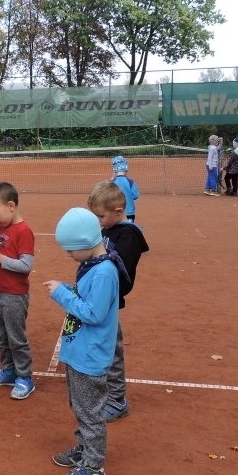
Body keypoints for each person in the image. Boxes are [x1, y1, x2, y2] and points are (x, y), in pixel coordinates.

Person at [44, 208, 128, 475]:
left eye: (70, 251)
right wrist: (70, 289)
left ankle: (94, 466)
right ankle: (84, 449)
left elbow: (93, 313)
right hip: (80, 352)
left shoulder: (103, 272)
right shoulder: (96, 265)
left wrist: (62, 294)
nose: (69, 256)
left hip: (89, 356)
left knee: (90, 412)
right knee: (80, 406)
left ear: (82, 243)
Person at [87, 181, 149, 422]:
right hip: (99, 299)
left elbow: (117, 267)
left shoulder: (129, 234)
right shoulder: (108, 228)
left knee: (112, 352)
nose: (98, 220)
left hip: (110, 303)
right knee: (101, 349)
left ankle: (117, 400)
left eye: (100, 216)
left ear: (119, 210)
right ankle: (106, 393)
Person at [0, 182, 36, 399]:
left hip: (14, 295)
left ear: (11, 205)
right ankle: (9, 370)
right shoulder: (2, 226)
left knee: (16, 338)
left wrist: (0, 258)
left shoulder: (24, 231)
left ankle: (25, 377)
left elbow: (26, 266)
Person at [110, 156, 140, 222]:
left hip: (116, 212)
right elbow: (136, 196)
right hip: (129, 212)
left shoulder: (112, 183)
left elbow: (107, 195)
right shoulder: (131, 182)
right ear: (126, 168)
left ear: (115, 169)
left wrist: (112, 177)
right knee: (129, 229)